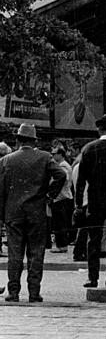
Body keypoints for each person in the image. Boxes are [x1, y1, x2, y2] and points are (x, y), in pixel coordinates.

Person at [0, 123, 66, 302]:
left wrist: (3, 213)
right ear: (34, 140)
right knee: (36, 253)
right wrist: (49, 196)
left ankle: (13, 292)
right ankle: (34, 292)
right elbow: (61, 175)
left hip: (13, 213)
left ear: (18, 140)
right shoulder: (45, 157)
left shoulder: (6, 160)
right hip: (37, 211)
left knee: (15, 254)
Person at [74, 114, 106, 289]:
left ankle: (92, 277)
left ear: (99, 130)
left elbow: (81, 181)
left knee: (93, 240)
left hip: (94, 201)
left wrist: (79, 204)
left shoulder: (88, 149)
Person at [49, 145, 73, 253]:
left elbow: (63, 179)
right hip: (61, 197)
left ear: (60, 154)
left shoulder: (63, 166)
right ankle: (61, 244)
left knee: (60, 223)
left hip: (61, 197)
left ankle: (62, 245)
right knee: (59, 222)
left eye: (54, 154)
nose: (52, 155)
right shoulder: (62, 165)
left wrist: (52, 192)